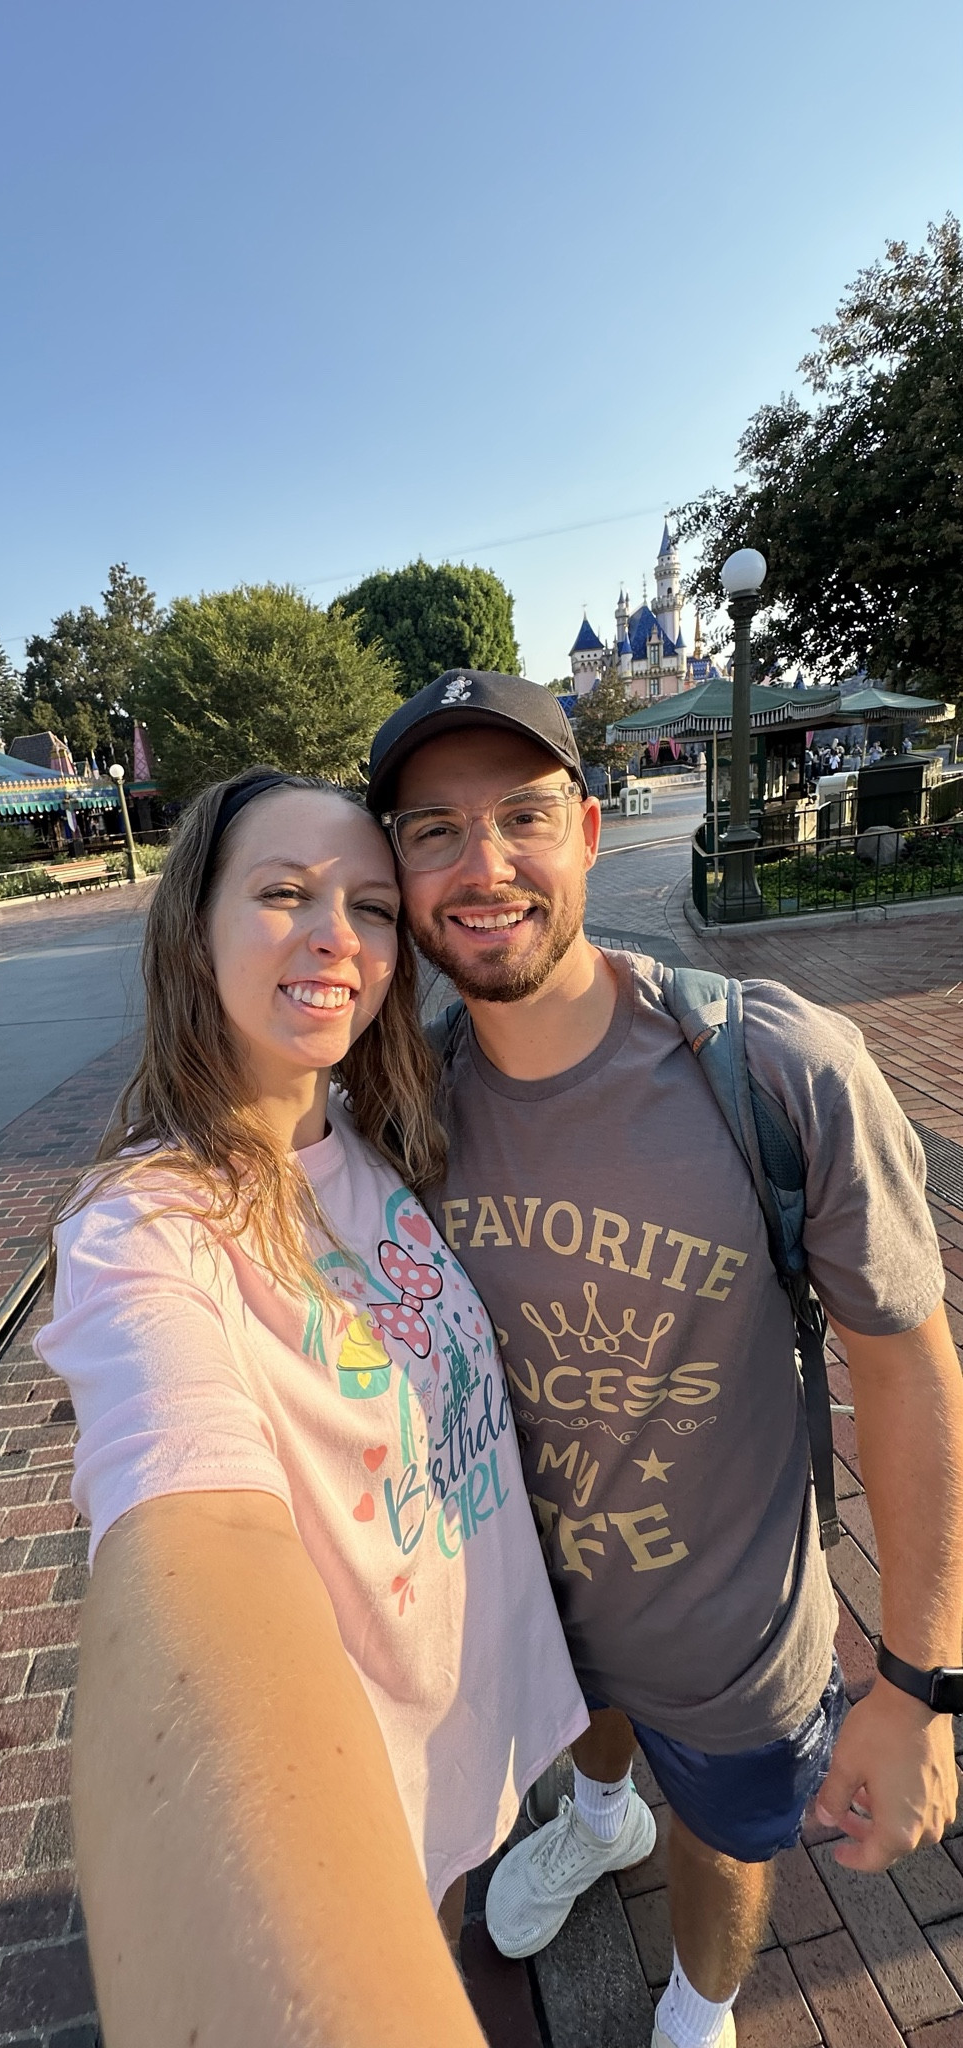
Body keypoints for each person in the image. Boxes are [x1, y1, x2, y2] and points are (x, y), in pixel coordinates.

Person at [366, 670, 963, 2048]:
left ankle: (702, 2004)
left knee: (727, 1837)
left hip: (732, 1641)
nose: (484, 864)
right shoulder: (411, 1115)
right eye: (434, 830)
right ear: (396, 867)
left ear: (586, 829)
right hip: (537, 1610)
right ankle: (597, 1814)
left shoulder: (777, 1070)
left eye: (520, 816)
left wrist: (920, 1687)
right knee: (595, 1730)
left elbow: (911, 1373)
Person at [36, 767, 588, 2048]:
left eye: (372, 904)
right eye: (283, 893)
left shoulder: (377, 1127)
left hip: (471, 1696)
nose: (337, 934)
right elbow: (191, 1532)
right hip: (356, 1765)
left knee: (447, 1910)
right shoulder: (144, 1231)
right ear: (198, 928)